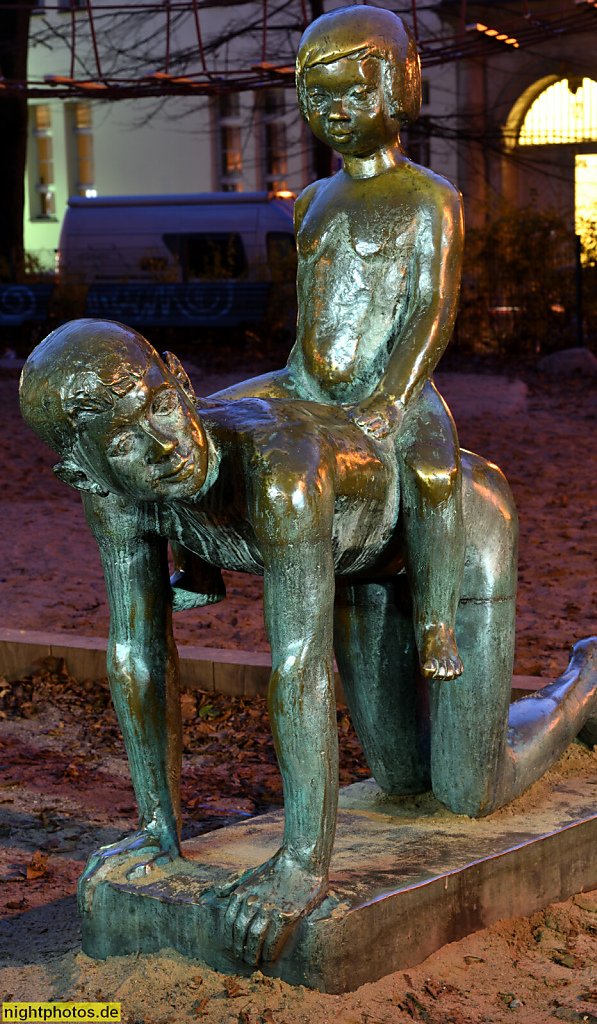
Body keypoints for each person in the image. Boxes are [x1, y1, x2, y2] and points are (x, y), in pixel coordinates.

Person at [19, 319, 597, 968]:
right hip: (361, 565)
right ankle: (525, 705)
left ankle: (589, 679)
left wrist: (301, 866)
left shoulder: (276, 470)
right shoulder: (120, 500)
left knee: (469, 791)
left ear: (179, 378)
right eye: (122, 440)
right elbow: (136, 653)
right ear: (83, 474)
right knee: (401, 780)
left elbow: (299, 667)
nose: (162, 444)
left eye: (161, 405)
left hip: (460, 538)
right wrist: (157, 831)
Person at [178, 5, 466, 681]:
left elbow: (432, 310)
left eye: (358, 92)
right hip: (303, 381)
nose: (338, 111)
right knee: (200, 425)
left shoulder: (431, 197)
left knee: (434, 476)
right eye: (320, 97)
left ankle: (436, 624)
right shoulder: (310, 200)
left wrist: (393, 399)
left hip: (397, 390)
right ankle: (199, 563)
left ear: (400, 87)